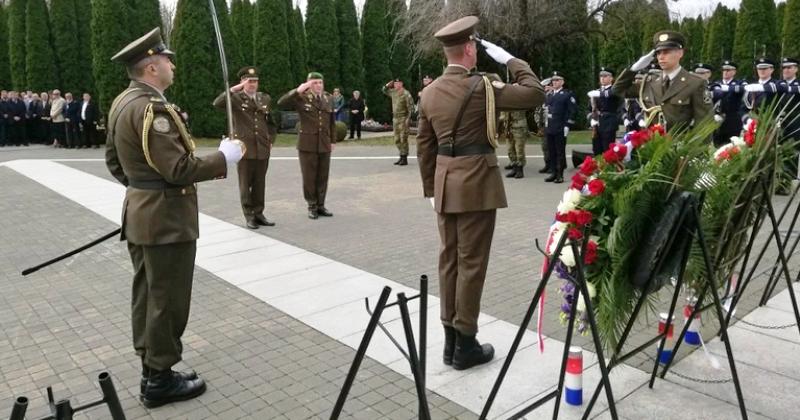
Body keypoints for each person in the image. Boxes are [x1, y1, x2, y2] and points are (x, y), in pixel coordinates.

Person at [105, 28, 243, 408]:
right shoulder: (152, 109)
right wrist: (223, 159)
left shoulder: (122, 103)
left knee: (148, 296)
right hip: (166, 221)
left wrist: (142, 193)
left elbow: (116, 164)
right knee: (167, 300)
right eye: (167, 59)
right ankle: (159, 381)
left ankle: (153, 370)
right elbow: (179, 169)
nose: (172, 65)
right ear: (151, 67)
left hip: (143, 214)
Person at [417, 15, 544, 370]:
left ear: (448, 53)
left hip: (444, 184)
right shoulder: (483, 88)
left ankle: (448, 342)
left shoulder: (428, 93)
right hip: (476, 183)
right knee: (471, 263)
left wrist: (430, 187)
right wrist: (510, 60)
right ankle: (465, 344)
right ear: (470, 49)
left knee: (449, 261)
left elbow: (424, 147)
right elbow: (534, 92)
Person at [214, 66, 278, 229]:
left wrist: (271, 138)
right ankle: (249, 216)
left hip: (262, 147)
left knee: (259, 183)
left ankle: (259, 213)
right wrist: (233, 89)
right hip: (244, 148)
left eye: (255, 81)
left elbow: (270, 121)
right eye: (249, 81)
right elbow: (218, 103)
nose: (253, 84)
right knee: (245, 183)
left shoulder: (264, 98)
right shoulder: (235, 98)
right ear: (242, 82)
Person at [612, 31, 712, 131]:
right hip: (651, 144)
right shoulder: (649, 82)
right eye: (658, 52)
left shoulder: (695, 83)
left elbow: (704, 123)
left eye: (666, 52)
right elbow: (617, 90)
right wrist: (633, 69)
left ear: (680, 53)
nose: (661, 57)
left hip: (680, 144)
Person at [278, 72, 336, 220]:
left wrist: (333, 140)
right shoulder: (301, 98)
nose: (318, 86)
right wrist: (298, 90)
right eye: (315, 83)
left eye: (320, 83)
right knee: (309, 177)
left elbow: (331, 122)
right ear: (309, 84)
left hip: (324, 143)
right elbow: (281, 103)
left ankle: (321, 205)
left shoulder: (328, 98)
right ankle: (312, 205)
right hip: (307, 144)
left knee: (323, 176)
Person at [543, 71, 576, 183]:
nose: (555, 82)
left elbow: (572, 111)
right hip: (550, 126)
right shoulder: (550, 94)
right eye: (553, 80)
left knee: (560, 151)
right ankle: (553, 172)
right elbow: (546, 109)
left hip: (560, 126)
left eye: (557, 80)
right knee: (551, 151)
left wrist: (567, 125)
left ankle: (559, 174)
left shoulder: (567, 94)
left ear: (562, 82)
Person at [587, 67, 624, 155]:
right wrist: (591, 119)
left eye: (605, 76)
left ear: (611, 78)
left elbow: (619, 107)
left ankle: (608, 168)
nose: (602, 78)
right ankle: (599, 168)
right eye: (601, 76)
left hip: (609, 124)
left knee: (608, 150)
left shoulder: (615, 91)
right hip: (597, 125)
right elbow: (589, 109)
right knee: (597, 150)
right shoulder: (596, 92)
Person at [708, 60, 745, 147]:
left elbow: (743, 89)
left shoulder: (739, 83)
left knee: (732, 147)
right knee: (716, 146)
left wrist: (726, 88)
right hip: (718, 119)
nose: (725, 72)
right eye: (724, 70)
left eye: (728, 70)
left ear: (734, 71)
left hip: (733, 121)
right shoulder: (716, 83)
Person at [383, 79, 415, 165]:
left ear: (401, 84)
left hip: (403, 119)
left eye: (397, 83)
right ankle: (401, 156)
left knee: (403, 138)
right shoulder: (393, 92)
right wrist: (387, 85)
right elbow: (384, 91)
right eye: (395, 83)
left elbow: (411, 109)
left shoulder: (406, 94)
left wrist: (408, 119)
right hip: (395, 119)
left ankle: (404, 158)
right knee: (397, 139)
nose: (395, 85)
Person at [500, 110, 528, 178]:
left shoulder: (520, 100)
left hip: (519, 126)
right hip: (509, 127)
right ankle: (514, 168)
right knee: (510, 149)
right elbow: (503, 114)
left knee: (519, 149)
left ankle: (520, 169)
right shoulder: (506, 101)